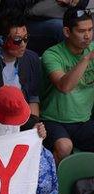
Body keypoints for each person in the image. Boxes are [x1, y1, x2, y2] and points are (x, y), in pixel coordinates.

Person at [41, 8, 94, 163]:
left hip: (84, 121)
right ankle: (52, 184)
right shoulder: (51, 55)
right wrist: (86, 58)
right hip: (53, 120)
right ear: (66, 31)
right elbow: (64, 87)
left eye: (91, 30)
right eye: (81, 31)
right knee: (64, 147)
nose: (87, 36)